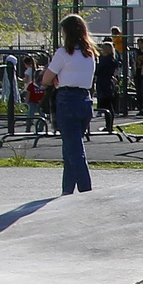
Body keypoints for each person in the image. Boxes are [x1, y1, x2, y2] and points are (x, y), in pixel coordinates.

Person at [41, 16, 98, 194]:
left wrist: (56, 79)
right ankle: (67, 191)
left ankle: (86, 192)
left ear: (67, 32)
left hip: (67, 99)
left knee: (75, 152)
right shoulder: (90, 54)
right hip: (85, 100)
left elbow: (46, 79)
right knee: (70, 149)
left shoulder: (63, 53)